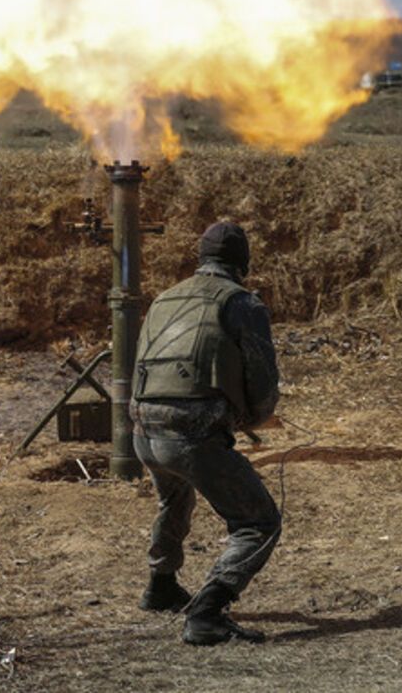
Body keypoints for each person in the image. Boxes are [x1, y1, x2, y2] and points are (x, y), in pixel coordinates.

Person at [129, 220, 282, 646]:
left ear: (201, 258)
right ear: (242, 264)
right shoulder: (241, 303)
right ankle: (208, 612)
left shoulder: (164, 298)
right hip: (192, 434)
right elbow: (263, 383)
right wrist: (251, 419)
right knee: (259, 522)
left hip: (143, 429)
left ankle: (161, 585)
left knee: (174, 497)